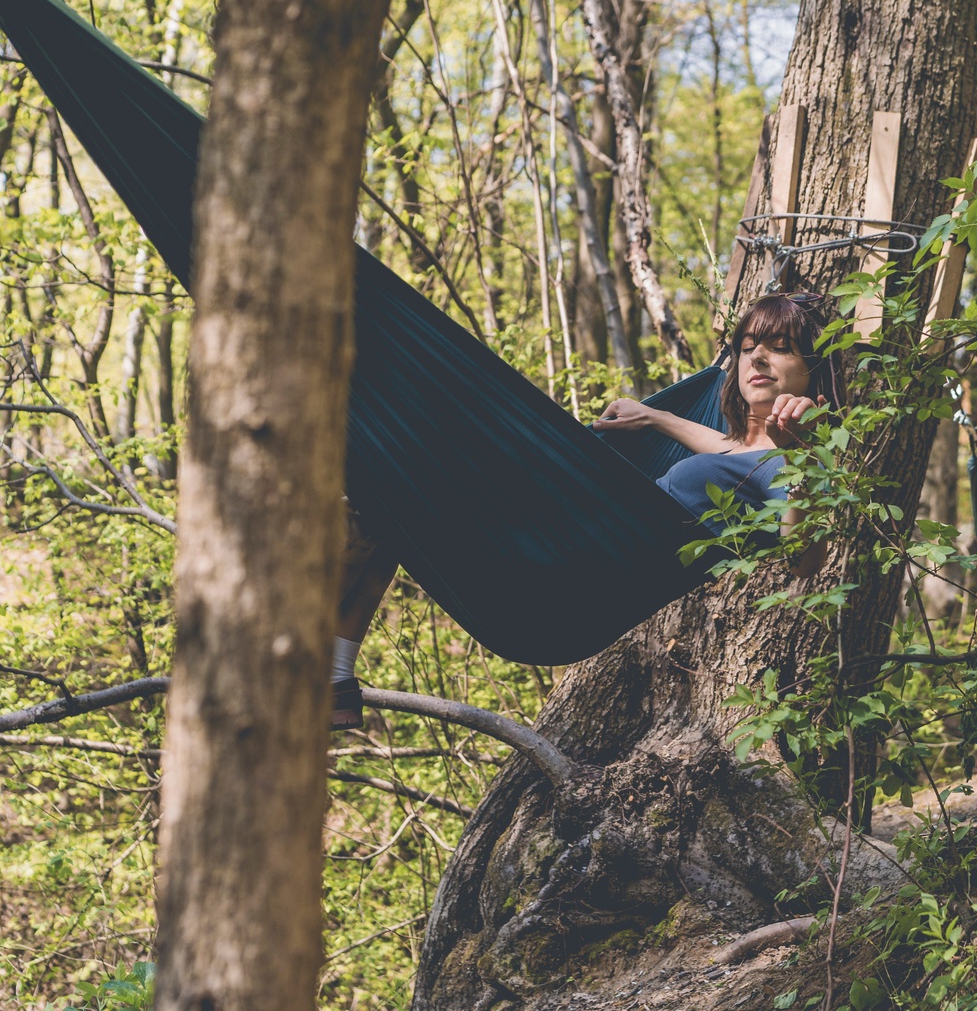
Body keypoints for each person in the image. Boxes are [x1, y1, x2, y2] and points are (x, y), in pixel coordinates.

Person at [328, 292, 840, 730]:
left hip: (585, 557)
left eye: (780, 348)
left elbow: (804, 561)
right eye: (748, 348)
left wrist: (805, 460)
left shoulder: (795, 460)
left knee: (403, 466)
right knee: (383, 508)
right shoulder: (742, 452)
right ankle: (335, 679)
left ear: (811, 370)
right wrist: (656, 416)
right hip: (575, 535)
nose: (757, 360)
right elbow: (726, 450)